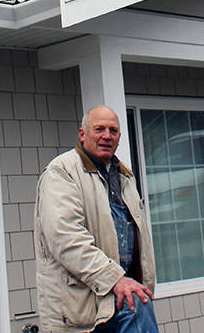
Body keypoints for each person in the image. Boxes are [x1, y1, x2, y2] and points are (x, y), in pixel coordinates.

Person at [34, 106, 158, 333]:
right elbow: (66, 239)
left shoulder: (124, 176)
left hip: (121, 299)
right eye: (99, 129)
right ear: (83, 134)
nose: (106, 136)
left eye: (113, 131)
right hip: (80, 309)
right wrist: (115, 279)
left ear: (119, 138)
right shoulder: (62, 172)